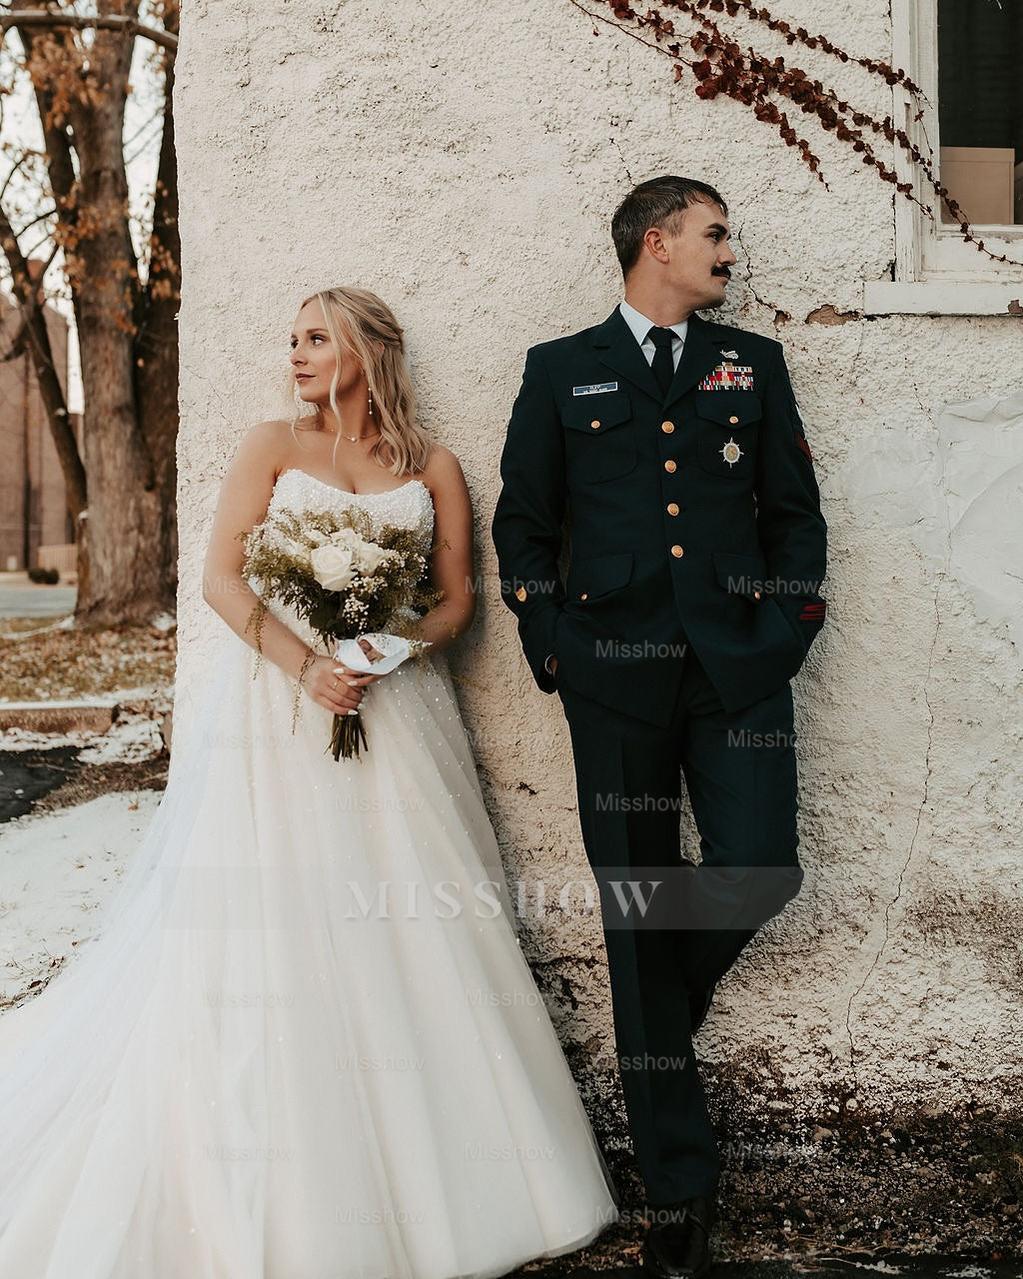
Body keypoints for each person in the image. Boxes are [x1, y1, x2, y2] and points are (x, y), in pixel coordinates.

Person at [0, 286, 619, 1277]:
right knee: (276, 915)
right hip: (279, 712)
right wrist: (308, 667)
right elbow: (221, 579)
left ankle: (444, 1175)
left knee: (406, 912)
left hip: (397, 710)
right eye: (291, 338)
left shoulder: (433, 467)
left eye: (317, 338)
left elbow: (457, 600)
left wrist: (388, 645)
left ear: (369, 352)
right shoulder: (270, 446)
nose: (295, 353)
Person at [492, 176, 827, 1279]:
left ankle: (655, 1008)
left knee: (758, 866)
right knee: (637, 907)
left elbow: (794, 516)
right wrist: (553, 644)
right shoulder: (561, 368)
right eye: (714, 232)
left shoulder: (752, 365)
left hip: (737, 671)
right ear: (656, 243)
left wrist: (786, 629)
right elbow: (523, 524)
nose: (729, 250)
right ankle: (679, 1190)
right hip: (613, 678)